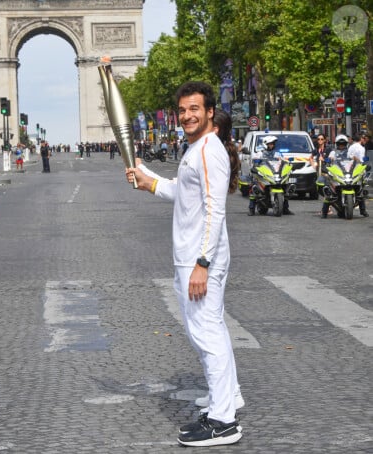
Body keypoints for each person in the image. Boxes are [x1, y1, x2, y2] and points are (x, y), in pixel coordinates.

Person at [126, 82, 243, 447]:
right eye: (182, 110)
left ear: (210, 112)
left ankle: (224, 422)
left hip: (199, 259)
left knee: (207, 335)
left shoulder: (209, 151)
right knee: (208, 332)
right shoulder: (198, 148)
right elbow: (182, 191)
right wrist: (149, 183)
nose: (187, 115)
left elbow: (215, 210)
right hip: (191, 257)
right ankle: (228, 398)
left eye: (195, 108)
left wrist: (202, 263)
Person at [321, 134, 369, 218]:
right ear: (337, 144)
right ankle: (324, 212)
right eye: (340, 144)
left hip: (348, 171)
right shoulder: (333, 152)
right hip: (338, 172)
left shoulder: (349, 151)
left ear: (346, 144)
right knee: (328, 191)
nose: (341, 146)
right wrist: (328, 163)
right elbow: (330, 160)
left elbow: (355, 160)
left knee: (361, 188)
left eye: (343, 144)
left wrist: (361, 164)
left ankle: (363, 210)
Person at [248, 135, 293, 216]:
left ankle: (285, 208)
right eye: (270, 144)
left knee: (285, 186)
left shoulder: (277, 153)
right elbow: (254, 163)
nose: (271, 145)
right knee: (253, 186)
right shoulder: (260, 153)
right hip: (264, 174)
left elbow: (283, 161)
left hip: (275, 173)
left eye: (272, 144)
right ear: (265, 144)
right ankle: (251, 209)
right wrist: (256, 164)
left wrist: (287, 164)